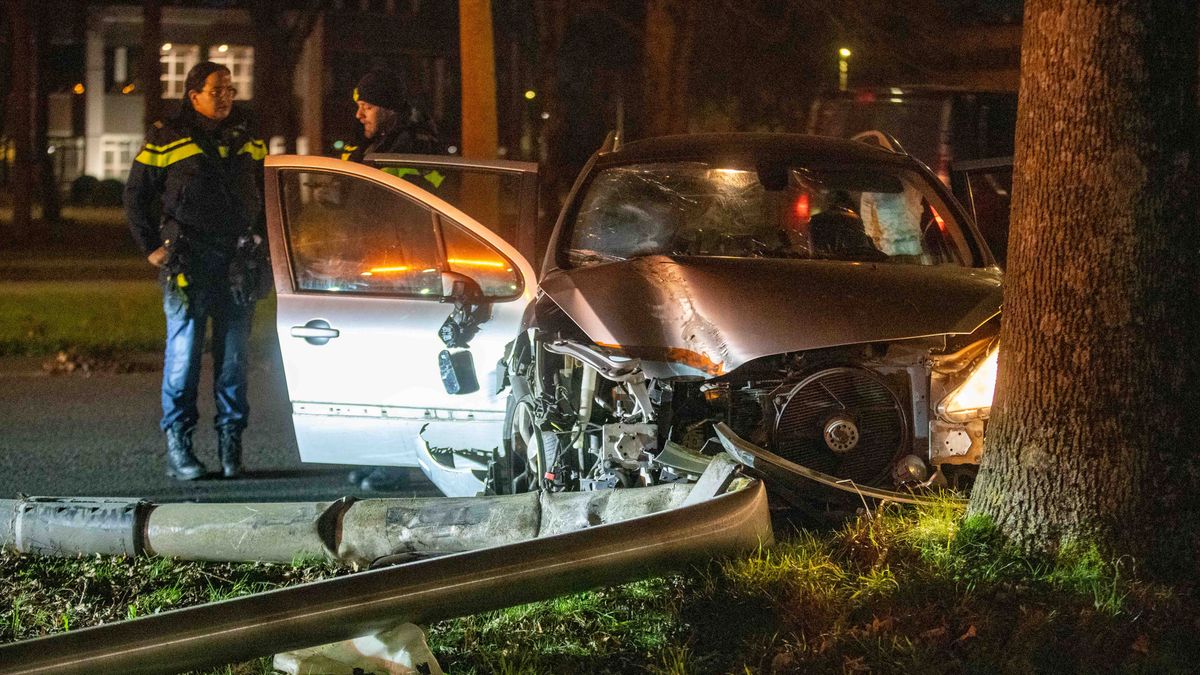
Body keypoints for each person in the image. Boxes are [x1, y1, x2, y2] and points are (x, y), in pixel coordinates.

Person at [125, 61, 269, 481]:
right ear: (193, 96)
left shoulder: (247, 138)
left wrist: (264, 245)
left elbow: (263, 194)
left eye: (229, 89)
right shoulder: (167, 137)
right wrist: (151, 247)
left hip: (237, 266)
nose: (226, 96)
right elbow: (136, 195)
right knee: (184, 359)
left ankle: (230, 445)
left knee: (234, 360)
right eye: (216, 90)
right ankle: (180, 445)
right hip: (188, 263)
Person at [340, 66, 443, 492]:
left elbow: (414, 208)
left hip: (404, 278)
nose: (360, 114)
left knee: (399, 376)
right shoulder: (377, 145)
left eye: (366, 106)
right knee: (372, 375)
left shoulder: (416, 148)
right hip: (378, 274)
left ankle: (399, 462)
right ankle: (379, 455)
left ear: (386, 107)